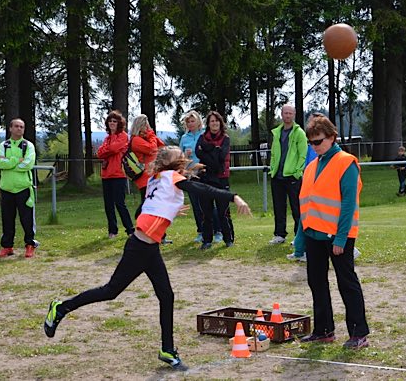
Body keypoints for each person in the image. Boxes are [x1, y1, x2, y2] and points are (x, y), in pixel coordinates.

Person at [44, 146, 251, 370]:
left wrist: (168, 209)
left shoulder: (156, 178)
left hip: (148, 248)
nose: (179, 153)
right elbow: (201, 189)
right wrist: (234, 197)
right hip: (140, 248)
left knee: (166, 296)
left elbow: (140, 211)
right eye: (175, 152)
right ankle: (61, 308)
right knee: (111, 291)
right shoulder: (172, 177)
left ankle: (167, 350)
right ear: (171, 162)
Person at [295, 113, 369, 350]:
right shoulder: (311, 166)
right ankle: (324, 330)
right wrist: (300, 239)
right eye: (311, 142)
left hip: (338, 236)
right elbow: (305, 204)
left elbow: (349, 204)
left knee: (347, 282)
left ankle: (359, 334)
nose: (314, 147)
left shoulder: (346, 162)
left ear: (332, 137)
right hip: (313, 235)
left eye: (318, 142)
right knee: (316, 282)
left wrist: (341, 238)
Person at [0, 118, 38, 258]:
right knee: (7, 219)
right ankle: (7, 246)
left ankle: (30, 245)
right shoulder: (4, 145)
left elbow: (28, 163)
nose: (19, 129)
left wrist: (10, 164)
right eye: (17, 126)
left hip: (23, 188)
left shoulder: (28, 145)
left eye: (22, 127)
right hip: (6, 188)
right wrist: (15, 161)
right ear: (10, 128)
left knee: (27, 219)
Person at [178, 110, 222, 243]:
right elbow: (180, 157)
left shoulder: (205, 135)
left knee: (209, 203)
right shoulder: (184, 138)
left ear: (198, 122)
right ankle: (201, 231)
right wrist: (186, 156)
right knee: (196, 205)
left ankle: (217, 231)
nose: (190, 124)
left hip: (205, 172)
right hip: (191, 174)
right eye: (188, 122)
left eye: (193, 121)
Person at [195, 111, 235, 249]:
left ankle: (228, 239)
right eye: (212, 121)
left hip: (221, 178)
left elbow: (222, 156)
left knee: (223, 211)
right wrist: (214, 150)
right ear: (208, 123)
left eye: (217, 121)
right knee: (207, 211)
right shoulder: (202, 137)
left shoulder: (226, 138)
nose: (215, 123)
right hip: (205, 178)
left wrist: (208, 151)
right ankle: (207, 240)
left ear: (220, 123)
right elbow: (198, 152)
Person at [268, 105, 308, 245]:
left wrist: (297, 172)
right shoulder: (277, 133)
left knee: (297, 208)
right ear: (281, 114)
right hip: (277, 177)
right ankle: (279, 234)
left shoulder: (299, 133)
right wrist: (273, 168)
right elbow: (273, 153)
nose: (288, 116)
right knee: (279, 207)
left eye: (290, 113)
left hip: (293, 177)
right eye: (286, 113)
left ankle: (298, 237)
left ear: (294, 115)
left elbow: (303, 155)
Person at [97, 110, 134, 239]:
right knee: (108, 205)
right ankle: (112, 230)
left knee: (120, 203)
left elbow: (112, 149)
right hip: (106, 175)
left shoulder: (123, 136)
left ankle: (130, 229)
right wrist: (108, 150)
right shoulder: (107, 138)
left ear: (119, 123)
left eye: (115, 121)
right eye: (110, 121)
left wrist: (107, 150)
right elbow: (99, 153)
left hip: (119, 174)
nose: (112, 123)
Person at [129, 114, 165, 212]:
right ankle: (142, 222)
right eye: (146, 126)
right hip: (145, 177)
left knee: (152, 203)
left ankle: (145, 223)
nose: (148, 128)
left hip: (152, 174)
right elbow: (152, 149)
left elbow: (161, 145)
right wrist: (151, 135)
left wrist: (150, 136)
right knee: (148, 203)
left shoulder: (147, 139)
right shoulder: (136, 140)